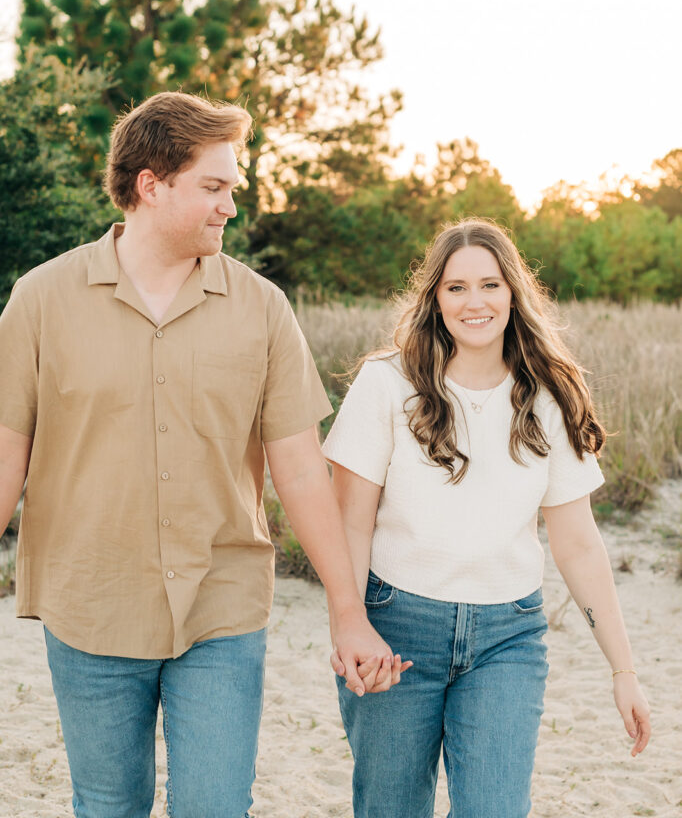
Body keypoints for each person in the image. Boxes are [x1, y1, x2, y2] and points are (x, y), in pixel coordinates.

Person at [0, 91, 398, 818]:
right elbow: (5, 459)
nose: (230, 208)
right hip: (90, 603)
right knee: (108, 806)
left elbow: (302, 470)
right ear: (151, 185)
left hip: (221, 607)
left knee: (216, 806)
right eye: (214, 188)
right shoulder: (40, 300)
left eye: (232, 189)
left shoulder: (262, 309)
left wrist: (348, 609)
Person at [323, 218, 651, 818]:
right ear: (435, 299)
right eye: (456, 288)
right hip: (396, 627)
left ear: (513, 293)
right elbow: (350, 521)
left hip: (509, 636)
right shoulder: (387, 382)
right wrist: (350, 627)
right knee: (390, 807)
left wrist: (622, 668)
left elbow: (577, 543)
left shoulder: (550, 393)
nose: (475, 302)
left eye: (490, 284)